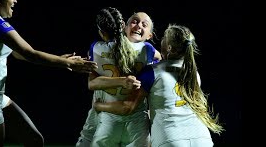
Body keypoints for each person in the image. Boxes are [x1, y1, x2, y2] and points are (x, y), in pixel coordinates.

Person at [0, 0, 97, 147]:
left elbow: (18, 53)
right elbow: (30, 53)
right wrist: (68, 63)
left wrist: (59, 58)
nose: (15, 1)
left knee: (34, 140)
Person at [93, 24, 224, 147]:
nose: (161, 41)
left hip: (171, 138)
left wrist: (100, 105)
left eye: (163, 39)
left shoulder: (152, 72)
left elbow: (128, 107)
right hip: (202, 138)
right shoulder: (194, 73)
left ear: (169, 48)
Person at [76, 7, 160, 147]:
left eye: (144, 25)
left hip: (106, 112)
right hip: (128, 117)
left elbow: (92, 83)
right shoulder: (148, 51)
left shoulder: (97, 48)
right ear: (124, 26)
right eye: (134, 21)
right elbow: (159, 56)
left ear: (150, 35)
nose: (138, 25)